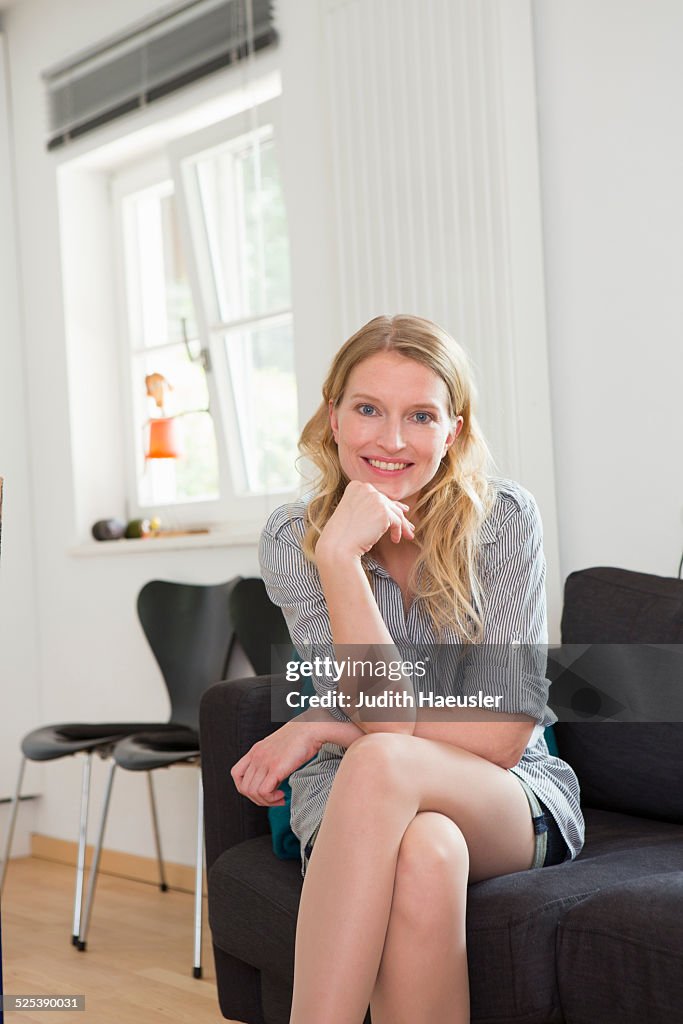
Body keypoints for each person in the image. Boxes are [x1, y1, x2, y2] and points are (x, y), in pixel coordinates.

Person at [232, 314, 584, 1024]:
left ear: (450, 432)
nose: (391, 440)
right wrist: (338, 557)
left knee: (382, 760)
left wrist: (329, 722)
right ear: (332, 417)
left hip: (506, 792)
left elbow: (500, 740)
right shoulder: (291, 538)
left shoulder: (504, 518)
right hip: (350, 797)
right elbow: (385, 725)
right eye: (367, 409)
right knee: (425, 852)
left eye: (419, 415)